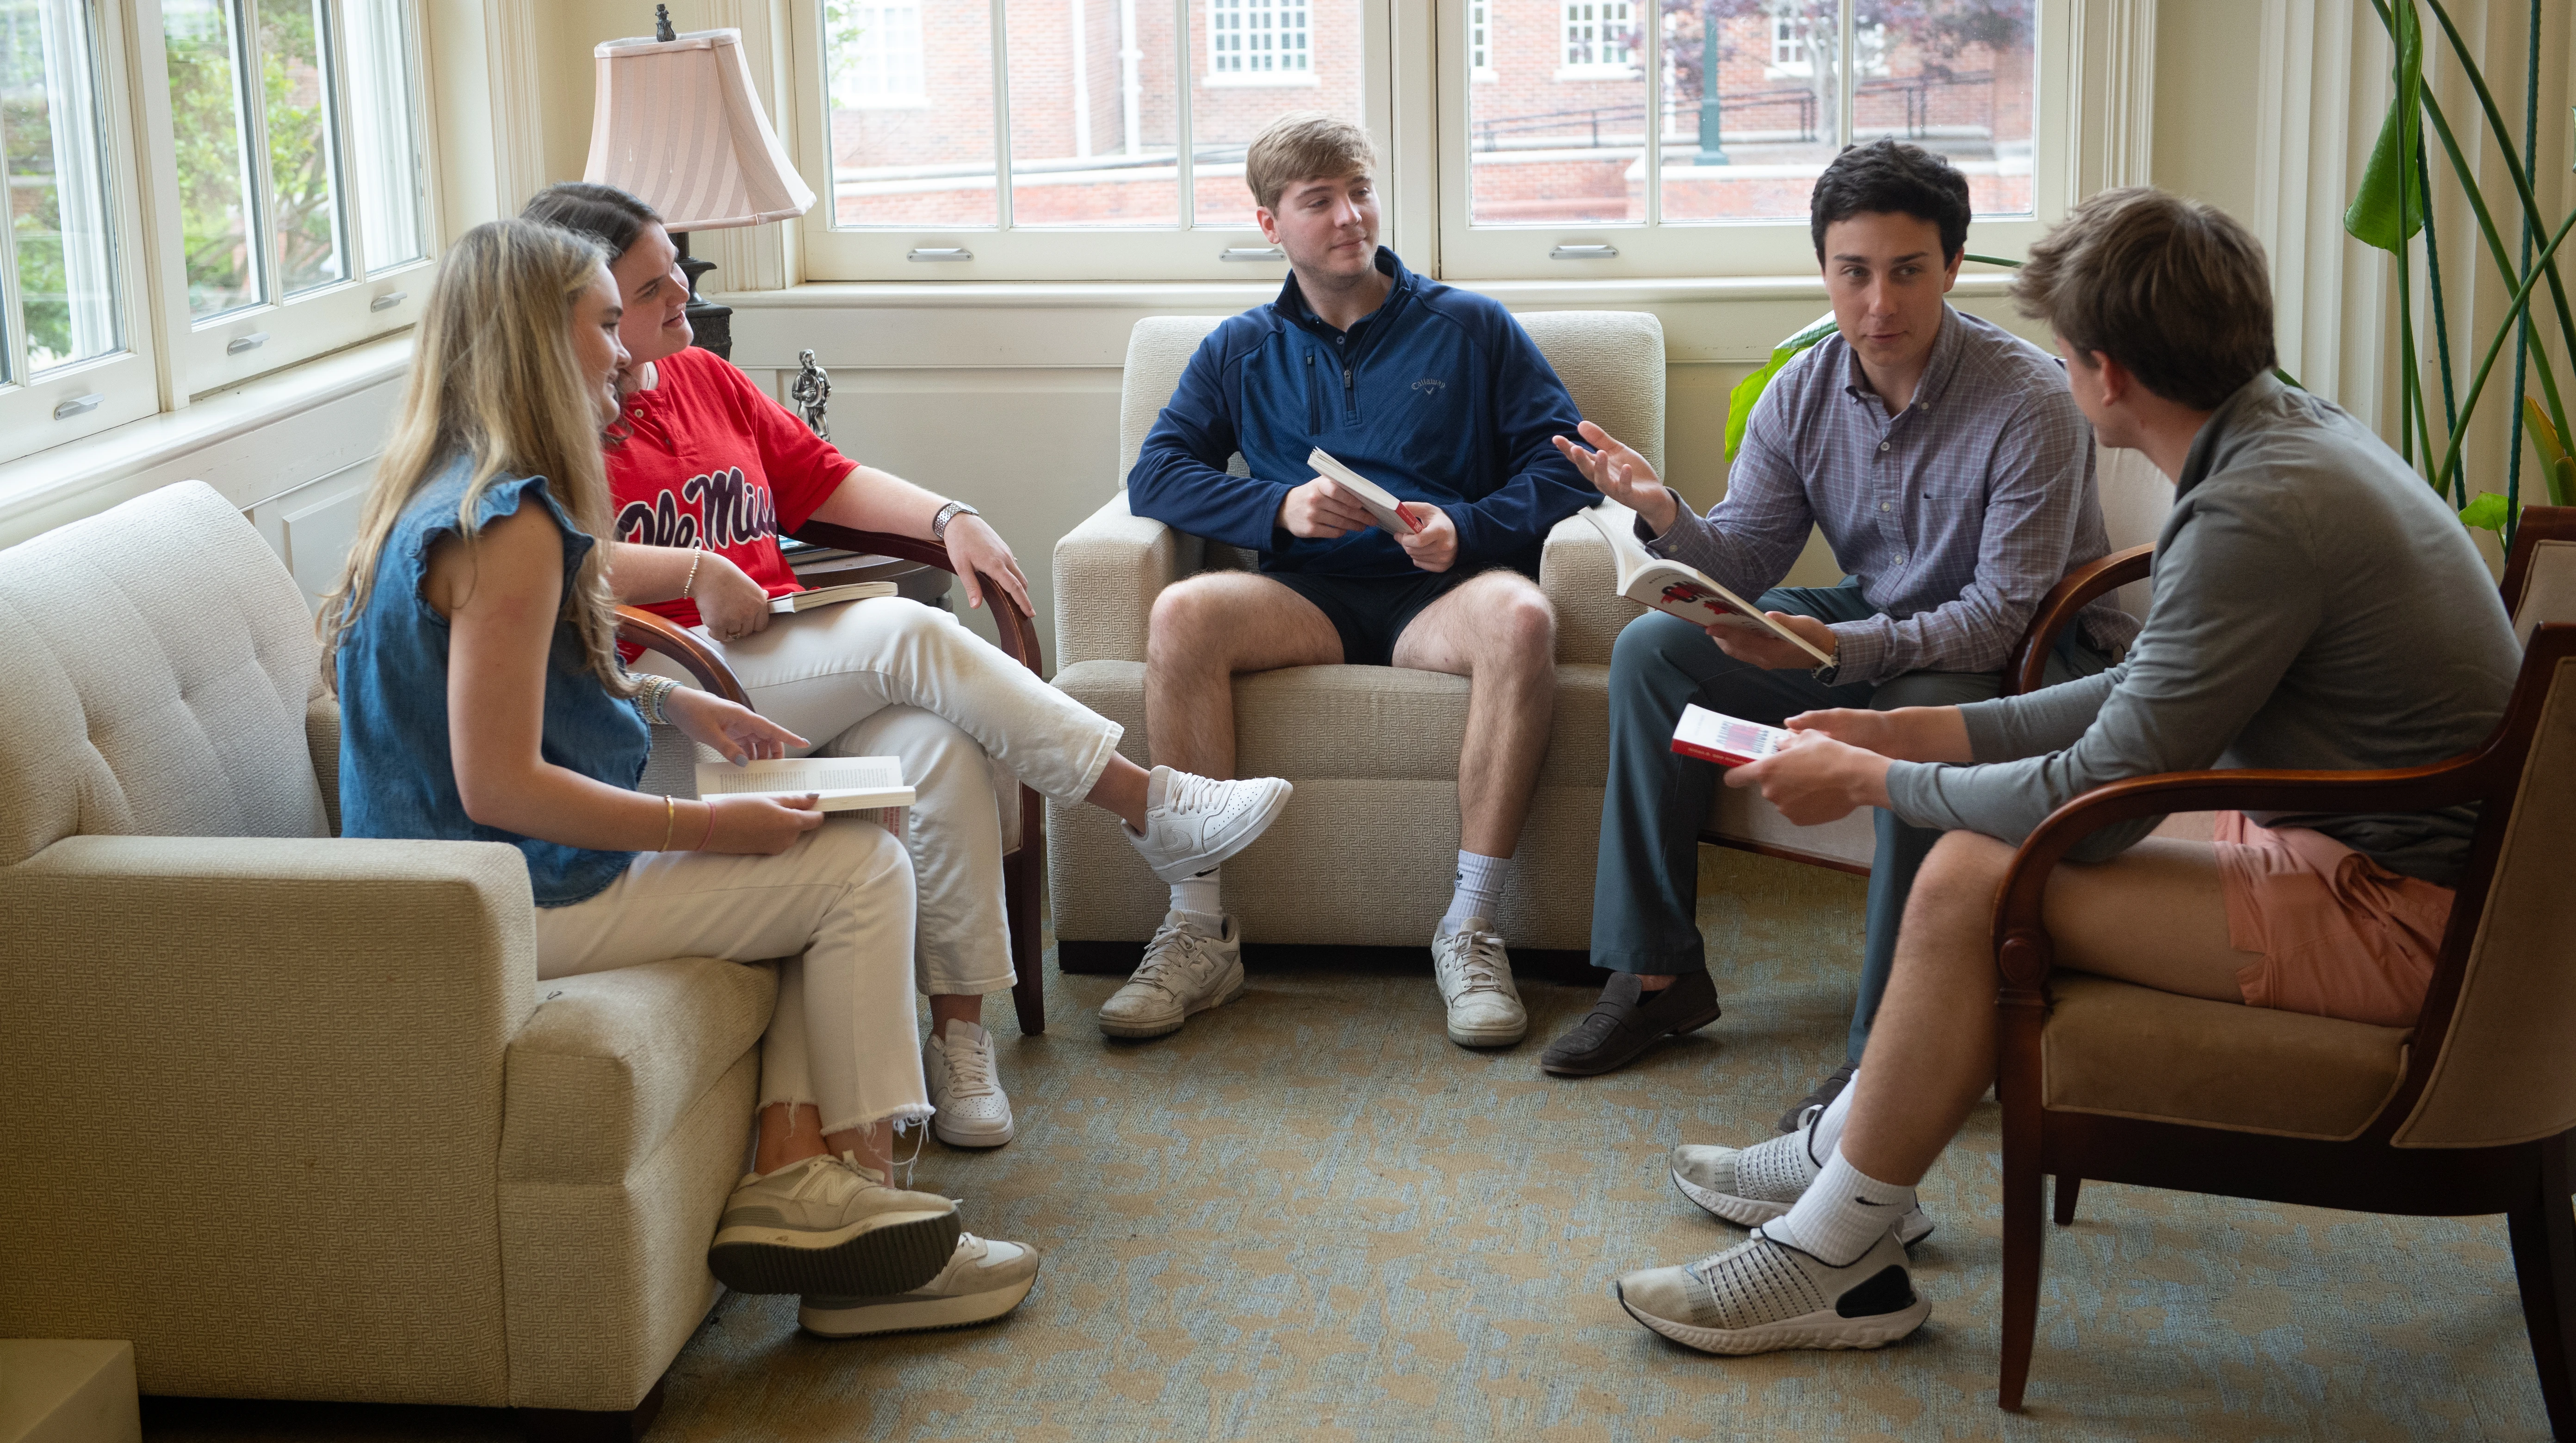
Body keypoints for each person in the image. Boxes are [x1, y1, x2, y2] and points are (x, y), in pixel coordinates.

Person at [1610, 188, 2522, 1356]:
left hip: (2414, 916)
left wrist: (1872, 785)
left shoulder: (2255, 507)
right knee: (1967, 837)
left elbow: (2096, 799)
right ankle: (1852, 1146)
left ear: (2105, 371)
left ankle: (1837, 1253)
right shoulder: (2284, 434)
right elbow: (2148, 698)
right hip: (2383, 850)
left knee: (1968, 877)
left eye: (2060, 347)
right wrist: (1912, 738)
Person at [319, 218, 1056, 1338]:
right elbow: (501, 784)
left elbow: (524, 683)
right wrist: (714, 831)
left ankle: (807, 1180)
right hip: (504, 901)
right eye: (605, 322)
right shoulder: (509, 520)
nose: (625, 352)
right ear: (535, 337)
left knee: (835, 846)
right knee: (858, 867)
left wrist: (669, 699)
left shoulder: (447, 485)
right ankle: (865, 1230)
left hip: (459, 889)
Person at [519, 183, 1292, 1141]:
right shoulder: (551, 419)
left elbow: (819, 476)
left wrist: (945, 515)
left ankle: (960, 1045)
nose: (680, 294)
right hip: (677, 699)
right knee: (912, 635)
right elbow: (557, 553)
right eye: (650, 289)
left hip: (783, 655)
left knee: (934, 741)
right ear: (581, 305)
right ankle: (1150, 804)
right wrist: (692, 566)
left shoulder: (703, 378)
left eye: (676, 269)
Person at [1543, 139, 2135, 1112]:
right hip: (1887, 622)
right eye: (1853, 273)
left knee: (1918, 701)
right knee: (1655, 650)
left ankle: (1886, 1055)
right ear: (1825, 268)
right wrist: (1665, 514)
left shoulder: (2031, 398)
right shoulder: (1803, 390)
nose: (1879, 305)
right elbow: (1747, 560)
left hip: (2034, 651)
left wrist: (1833, 648)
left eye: (1907, 272)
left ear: (1952, 264)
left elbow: (1997, 619)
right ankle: (1658, 977)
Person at [1118, 111, 1596, 1048]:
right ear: (1271, 224)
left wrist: (1470, 528)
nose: (1349, 216)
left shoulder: (1471, 326)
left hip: (1441, 596)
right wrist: (1276, 511)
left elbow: (1564, 465)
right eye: (1319, 201)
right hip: (1306, 599)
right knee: (1181, 612)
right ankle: (1199, 927)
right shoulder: (1238, 347)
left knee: (1526, 619)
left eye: (1360, 191)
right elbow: (1158, 474)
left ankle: (1472, 925)